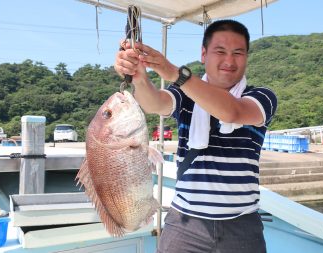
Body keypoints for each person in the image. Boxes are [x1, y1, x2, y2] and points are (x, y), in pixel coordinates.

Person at [115, 19, 277, 253]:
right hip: (184, 224)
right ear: (204, 54)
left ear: (247, 57)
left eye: (238, 53)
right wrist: (139, 77)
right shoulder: (185, 94)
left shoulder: (261, 96)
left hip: (242, 225)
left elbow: (233, 112)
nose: (229, 61)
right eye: (220, 51)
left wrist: (175, 73)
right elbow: (155, 103)